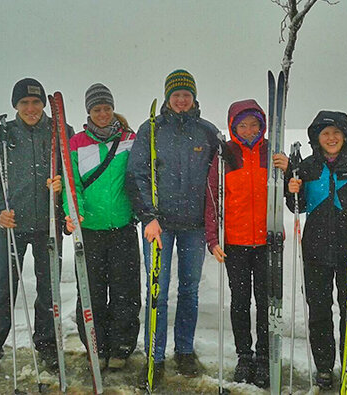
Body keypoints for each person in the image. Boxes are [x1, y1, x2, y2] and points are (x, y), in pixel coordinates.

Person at [126, 69, 220, 387]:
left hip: (194, 226)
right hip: (159, 225)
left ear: (194, 98)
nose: (181, 100)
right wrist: (147, 217)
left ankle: (184, 350)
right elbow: (136, 174)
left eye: (186, 95)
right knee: (158, 291)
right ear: (168, 98)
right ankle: (155, 356)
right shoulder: (151, 129)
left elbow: (219, 177)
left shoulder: (207, 132)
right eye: (176, 95)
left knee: (189, 291)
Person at [0, 78, 68, 383]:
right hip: (12, 226)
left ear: (43, 104)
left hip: (48, 226)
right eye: (24, 103)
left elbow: (74, 174)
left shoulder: (60, 133)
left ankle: (48, 346)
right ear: (16, 105)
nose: (31, 108)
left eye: (36, 102)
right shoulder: (2, 136)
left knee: (48, 291)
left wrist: (61, 188)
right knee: (3, 291)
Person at [285, 111, 347, 393]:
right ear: (316, 138)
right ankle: (324, 367)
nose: (331, 138)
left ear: (345, 136)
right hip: (316, 251)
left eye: (336, 132)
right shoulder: (308, 167)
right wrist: (292, 189)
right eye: (325, 133)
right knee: (320, 312)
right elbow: (295, 206)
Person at [205, 99, 288, 388]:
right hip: (236, 243)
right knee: (240, 302)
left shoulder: (272, 154)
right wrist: (213, 238)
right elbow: (213, 200)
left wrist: (288, 170)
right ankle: (245, 355)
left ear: (262, 125)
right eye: (243, 125)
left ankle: (265, 357)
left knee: (266, 303)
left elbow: (290, 195)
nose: (249, 129)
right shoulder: (225, 155)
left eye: (254, 124)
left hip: (267, 242)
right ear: (233, 126)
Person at [63, 83, 140, 370]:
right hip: (90, 231)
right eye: (97, 109)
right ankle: (96, 344)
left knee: (125, 290)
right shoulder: (76, 143)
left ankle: (121, 346)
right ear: (89, 112)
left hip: (122, 227)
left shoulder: (130, 139)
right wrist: (76, 213)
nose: (103, 113)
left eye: (107, 108)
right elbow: (72, 187)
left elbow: (142, 175)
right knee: (91, 290)